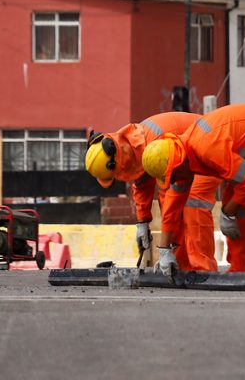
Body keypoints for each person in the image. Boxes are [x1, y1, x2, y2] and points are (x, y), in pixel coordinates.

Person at [141, 103, 245, 275]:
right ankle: (242, 270)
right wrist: (164, 251)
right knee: (239, 206)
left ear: (179, 164)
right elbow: (172, 208)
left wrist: (228, 211)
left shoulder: (207, 149)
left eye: (172, 177)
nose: (174, 181)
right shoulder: (183, 156)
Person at [85, 112, 219, 272]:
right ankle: (181, 266)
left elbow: (170, 204)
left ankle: (202, 269)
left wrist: (164, 250)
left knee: (192, 204)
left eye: (113, 174)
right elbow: (142, 182)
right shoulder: (130, 144)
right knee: (169, 207)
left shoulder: (152, 142)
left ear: (114, 163)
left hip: (207, 150)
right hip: (188, 156)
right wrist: (142, 222)